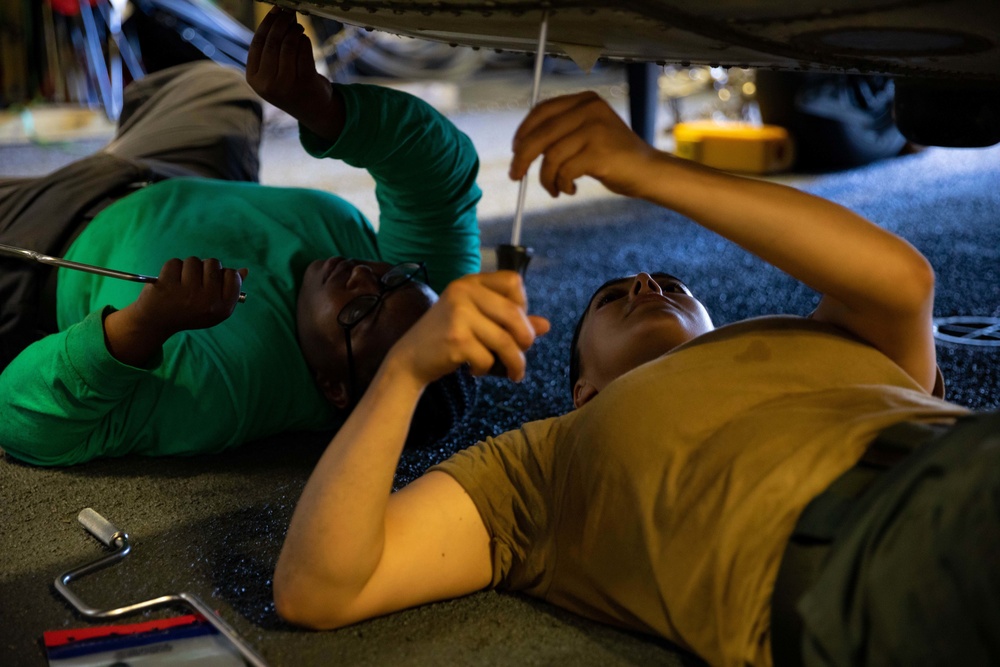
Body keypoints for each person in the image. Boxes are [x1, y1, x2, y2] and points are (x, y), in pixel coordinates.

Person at [269, 91, 999, 667]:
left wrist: (647, 168)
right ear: (583, 388)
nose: (645, 278)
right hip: (865, 557)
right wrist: (404, 369)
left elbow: (904, 280)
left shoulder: (829, 337)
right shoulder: (543, 465)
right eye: (611, 298)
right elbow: (319, 585)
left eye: (670, 283)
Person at [0, 8, 481, 467]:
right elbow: (438, 172)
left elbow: (23, 423)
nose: (364, 277)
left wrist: (145, 323)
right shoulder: (431, 306)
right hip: (172, 173)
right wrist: (322, 105)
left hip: (52, 242)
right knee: (219, 83)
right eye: (392, 279)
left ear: (333, 388)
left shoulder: (227, 391)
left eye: (359, 312)